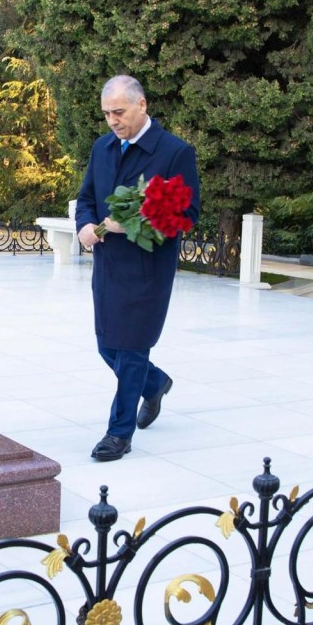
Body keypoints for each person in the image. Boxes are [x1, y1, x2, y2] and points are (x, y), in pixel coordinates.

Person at [74, 75, 199, 461]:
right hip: (108, 266)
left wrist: (133, 223)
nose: (112, 120)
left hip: (148, 271)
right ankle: (156, 382)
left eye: (119, 112)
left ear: (141, 105)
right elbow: (87, 197)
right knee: (106, 345)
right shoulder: (102, 147)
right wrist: (84, 225)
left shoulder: (175, 151)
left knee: (130, 350)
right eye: (107, 114)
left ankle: (119, 434)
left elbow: (187, 215)